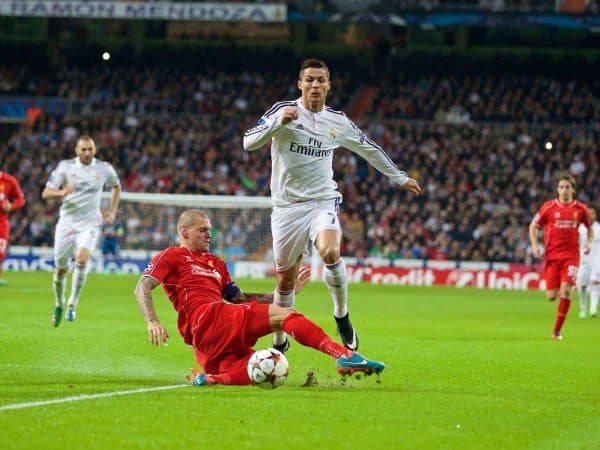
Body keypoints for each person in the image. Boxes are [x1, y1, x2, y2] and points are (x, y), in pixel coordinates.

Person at [242, 58, 421, 353]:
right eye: (309, 79)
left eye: (320, 80)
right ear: (300, 84)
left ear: (328, 85)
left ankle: (341, 314)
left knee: (330, 250)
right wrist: (276, 124)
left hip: (322, 201)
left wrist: (399, 178)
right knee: (285, 282)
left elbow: (369, 148)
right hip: (286, 208)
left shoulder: (338, 121)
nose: (315, 85)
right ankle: (278, 339)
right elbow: (248, 142)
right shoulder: (283, 111)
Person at [134, 209, 385, 386]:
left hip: (209, 343)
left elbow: (240, 299)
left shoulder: (217, 263)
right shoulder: (172, 255)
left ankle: (211, 378)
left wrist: (285, 293)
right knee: (286, 316)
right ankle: (344, 355)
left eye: (210, 230)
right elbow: (142, 288)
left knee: (267, 366)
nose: (209, 235)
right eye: (203, 230)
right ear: (184, 231)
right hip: (206, 319)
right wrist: (152, 321)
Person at [42, 135, 121, 326]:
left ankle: (72, 304)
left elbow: (116, 187)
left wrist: (112, 211)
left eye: (90, 149)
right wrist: (62, 192)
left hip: (90, 223)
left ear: (94, 150)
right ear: (77, 150)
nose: (87, 152)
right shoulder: (65, 167)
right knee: (61, 270)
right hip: (67, 224)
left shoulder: (104, 168)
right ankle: (59, 303)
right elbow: (46, 193)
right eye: (83, 149)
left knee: (82, 259)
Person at [529, 174, 593, 340]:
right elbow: (533, 226)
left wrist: (589, 244)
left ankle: (556, 331)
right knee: (551, 296)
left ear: (573, 189)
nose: (564, 190)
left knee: (565, 291)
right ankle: (563, 290)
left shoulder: (580, 209)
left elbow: (590, 228)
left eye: (567, 187)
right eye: (561, 187)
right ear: (557, 189)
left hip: (571, 257)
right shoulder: (549, 207)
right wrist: (535, 245)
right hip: (552, 257)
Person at [0, 170, 26, 286]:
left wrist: (11, 205)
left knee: (0, 251)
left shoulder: (9, 180)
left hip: (1, 222)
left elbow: (21, 199)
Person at [576, 207, 600, 318]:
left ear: (596, 215)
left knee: (596, 282)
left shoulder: (599, 228)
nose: (590, 215)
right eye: (588, 213)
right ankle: (583, 309)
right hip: (583, 261)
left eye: (592, 213)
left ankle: (593, 308)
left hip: (597, 260)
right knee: (583, 285)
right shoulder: (580, 228)